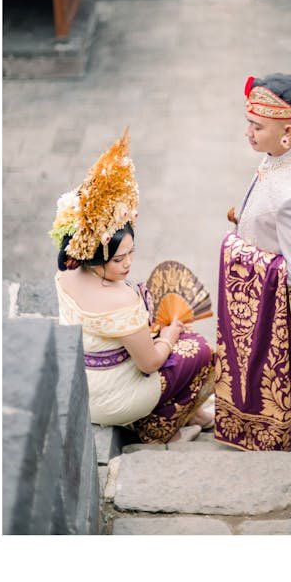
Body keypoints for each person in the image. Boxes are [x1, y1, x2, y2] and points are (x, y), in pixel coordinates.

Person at [50, 129, 215, 444]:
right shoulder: (121, 299)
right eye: (118, 259)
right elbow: (150, 363)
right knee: (198, 348)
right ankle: (159, 426)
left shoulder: (65, 274)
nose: (128, 264)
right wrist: (169, 335)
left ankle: (195, 415)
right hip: (115, 400)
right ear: (94, 257)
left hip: (82, 385)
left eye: (131, 253)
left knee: (170, 337)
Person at [214, 73, 291, 451]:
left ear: (287, 131)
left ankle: (274, 437)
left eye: (257, 126)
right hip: (271, 282)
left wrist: (244, 257)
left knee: (274, 377)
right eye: (248, 121)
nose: (247, 132)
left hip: (282, 310)